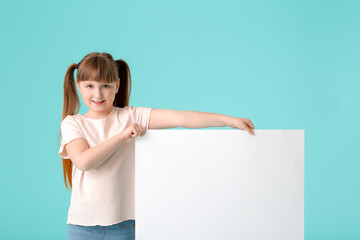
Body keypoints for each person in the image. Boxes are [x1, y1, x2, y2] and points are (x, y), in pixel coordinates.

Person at [58, 52, 255, 240]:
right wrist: (122, 136)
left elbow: (180, 117)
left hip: (125, 225)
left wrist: (228, 120)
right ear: (78, 86)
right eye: (90, 86)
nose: (98, 93)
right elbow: (84, 161)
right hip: (82, 226)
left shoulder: (132, 116)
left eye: (106, 86)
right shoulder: (73, 123)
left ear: (117, 85)